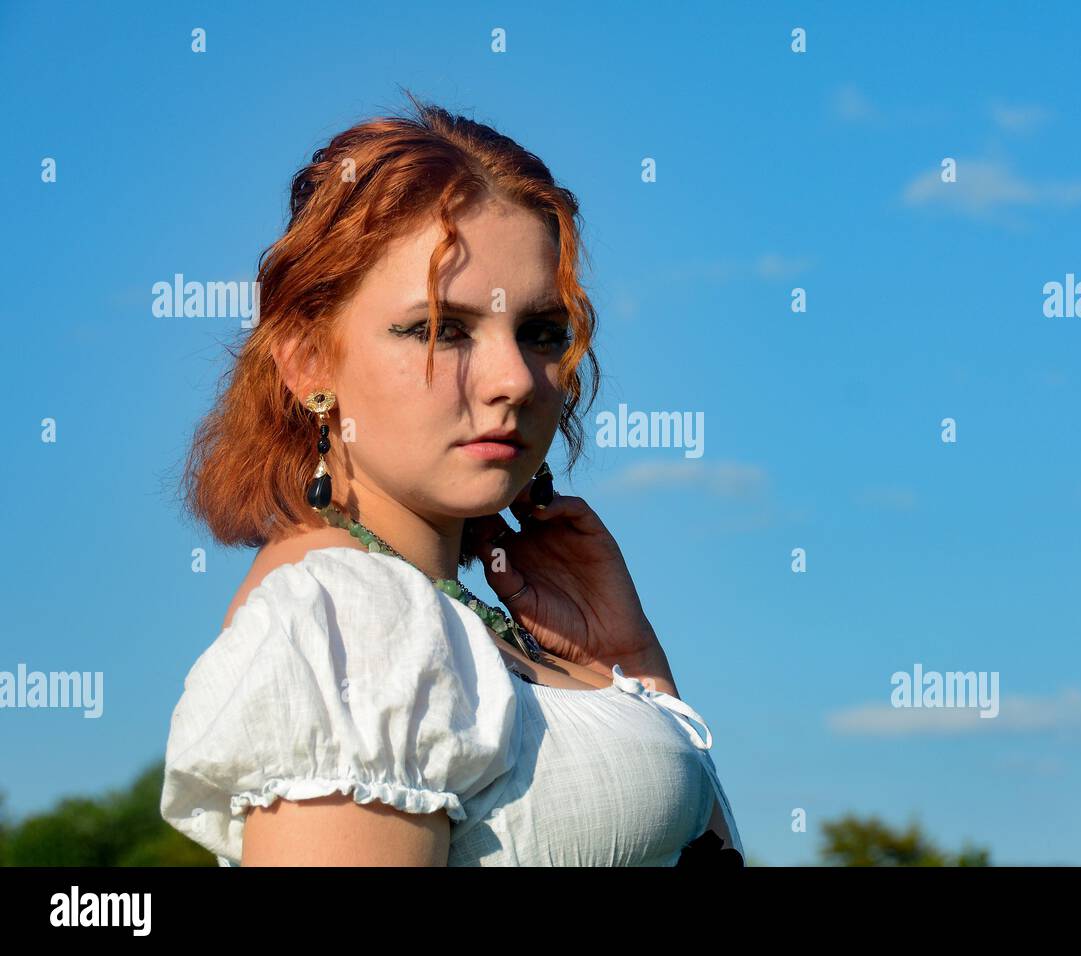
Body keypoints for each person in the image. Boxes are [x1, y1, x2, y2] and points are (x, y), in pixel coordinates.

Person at [159, 93, 744, 867]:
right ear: (308, 362)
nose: (515, 379)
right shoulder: (345, 621)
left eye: (540, 332)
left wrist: (628, 662)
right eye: (440, 328)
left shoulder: (443, 618)